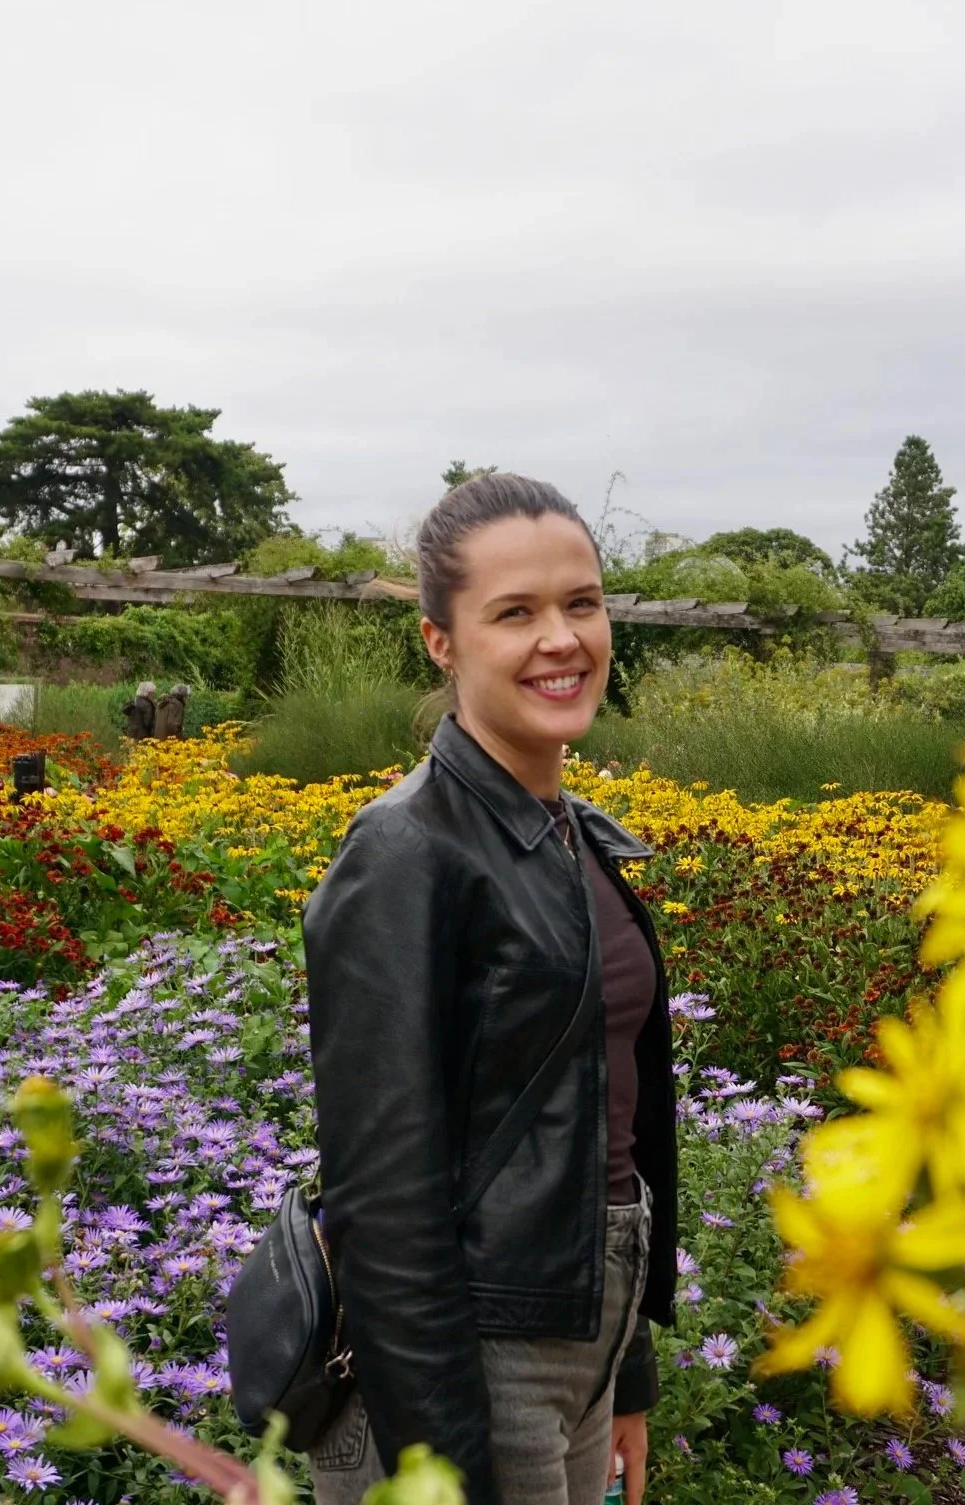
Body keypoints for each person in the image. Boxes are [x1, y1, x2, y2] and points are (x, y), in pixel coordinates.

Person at [304, 474, 672, 1505]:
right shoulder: (405, 850)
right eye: (515, 612)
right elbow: (382, 1200)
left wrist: (624, 1367)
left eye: (582, 603)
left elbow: (605, 1114)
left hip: (578, 1336)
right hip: (470, 1356)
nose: (561, 638)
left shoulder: (571, 829)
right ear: (441, 641)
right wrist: (438, 1466)